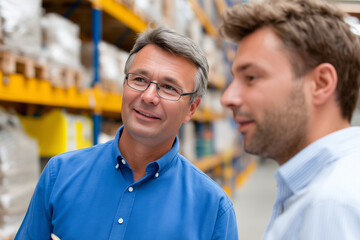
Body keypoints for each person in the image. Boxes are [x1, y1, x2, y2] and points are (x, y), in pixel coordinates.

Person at [16, 27, 238, 239]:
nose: (149, 96)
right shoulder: (59, 175)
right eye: (139, 79)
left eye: (169, 87)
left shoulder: (213, 208)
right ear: (124, 86)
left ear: (191, 108)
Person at [219, 0, 360, 239]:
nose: (227, 98)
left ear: (321, 83)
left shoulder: (331, 206)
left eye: (251, 77)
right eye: (234, 79)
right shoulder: (321, 186)